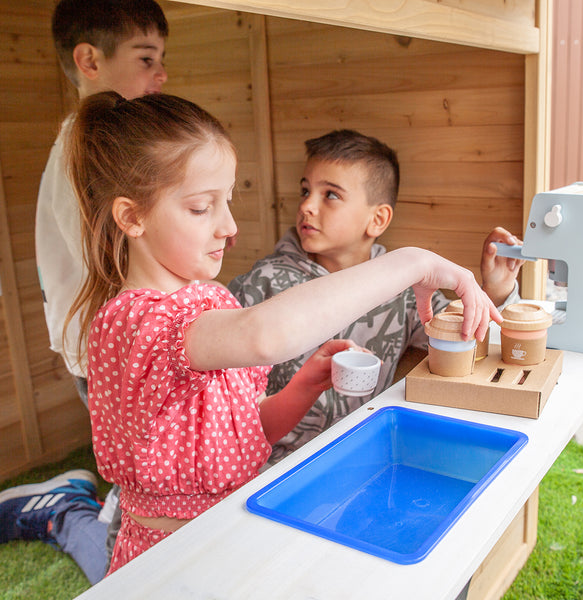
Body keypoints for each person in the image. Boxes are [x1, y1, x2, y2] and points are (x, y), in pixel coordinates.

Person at [63, 91, 499, 574]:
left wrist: (302, 386)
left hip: (229, 537)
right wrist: (414, 261)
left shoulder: (205, 303)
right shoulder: (143, 321)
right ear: (132, 217)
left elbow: (246, 434)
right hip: (177, 562)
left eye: (227, 201)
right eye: (201, 207)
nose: (228, 226)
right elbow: (267, 334)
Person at [229, 129, 523, 465]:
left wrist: (496, 290)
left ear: (377, 219)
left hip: (369, 458)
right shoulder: (262, 282)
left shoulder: (406, 290)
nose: (307, 206)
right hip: (272, 464)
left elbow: (470, 342)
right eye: (305, 190)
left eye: (331, 195)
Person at [0, 0, 168, 585]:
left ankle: (85, 498)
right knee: (141, 499)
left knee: (149, 470)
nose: (161, 75)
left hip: (115, 347)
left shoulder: (99, 140)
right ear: (89, 60)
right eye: (147, 59)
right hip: (107, 353)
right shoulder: (87, 151)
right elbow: (117, 260)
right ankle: (72, 515)